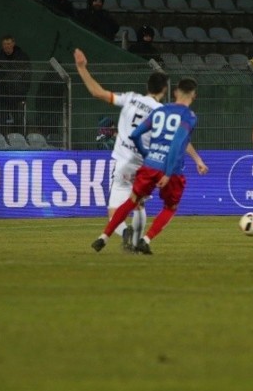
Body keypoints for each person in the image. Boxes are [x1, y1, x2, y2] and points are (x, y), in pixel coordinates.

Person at [74, 48, 207, 252]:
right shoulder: (162, 110)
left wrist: (82, 68)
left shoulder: (130, 99)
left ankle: (124, 233)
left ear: (147, 86)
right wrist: (196, 159)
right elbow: (179, 140)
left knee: (117, 207)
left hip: (124, 161)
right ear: (164, 91)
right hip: (149, 163)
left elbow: (97, 92)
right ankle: (138, 240)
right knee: (140, 205)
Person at [91, 77, 201, 255]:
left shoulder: (161, 111)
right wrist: (169, 171)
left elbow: (135, 134)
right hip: (170, 169)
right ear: (194, 95)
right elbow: (177, 143)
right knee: (169, 207)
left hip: (149, 164)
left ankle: (104, 236)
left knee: (132, 200)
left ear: (175, 93)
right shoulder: (189, 116)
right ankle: (145, 240)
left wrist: (146, 154)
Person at [0, 34, 31, 133]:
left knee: (19, 121)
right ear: (2, 45)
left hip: (18, 96)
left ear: (13, 44)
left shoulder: (22, 58)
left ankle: (19, 142)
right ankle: (0, 142)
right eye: (5, 44)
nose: (7, 46)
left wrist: (22, 92)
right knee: (1, 121)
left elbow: (27, 77)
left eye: (9, 43)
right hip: (2, 96)